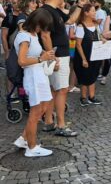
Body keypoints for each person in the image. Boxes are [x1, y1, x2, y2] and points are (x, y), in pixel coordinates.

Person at [39, 0, 82, 137]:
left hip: (59, 55)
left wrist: (80, 6)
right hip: (58, 56)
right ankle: (61, 125)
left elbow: (70, 21)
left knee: (54, 90)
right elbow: (45, 35)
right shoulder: (45, 11)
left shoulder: (55, 10)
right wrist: (53, 57)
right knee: (62, 90)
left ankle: (49, 122)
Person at [13, 10, 56, 157]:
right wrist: (42, 58)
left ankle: (23, 139)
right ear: (37, 23)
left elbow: (35, 54)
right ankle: (31, 147)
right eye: (42, 26)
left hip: (38, 75)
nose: (43, 30)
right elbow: (22, 61)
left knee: (43, 107)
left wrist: (47, 56)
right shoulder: (24, 36)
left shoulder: (32, 35)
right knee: (35, 112)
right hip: (33, 77)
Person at [73, 4, 103, 106]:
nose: (95, 13)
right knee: (85, 77)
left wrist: (103, 41)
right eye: (93, 11)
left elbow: (100, 37)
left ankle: (92, 97)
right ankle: (83, 97)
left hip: (96, 56)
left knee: (93, 76)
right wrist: (83, 59)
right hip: (85, 56)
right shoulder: (81, 26)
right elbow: (78, 44)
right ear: (86, 13)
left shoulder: (96, 25)